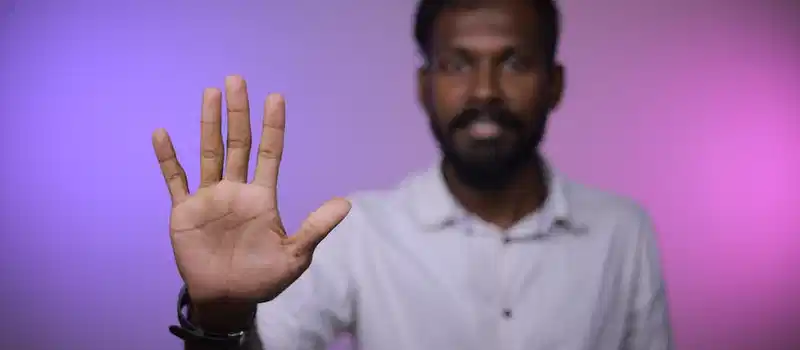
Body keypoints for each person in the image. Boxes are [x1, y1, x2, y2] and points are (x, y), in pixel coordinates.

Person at [151, 0, 673, 349]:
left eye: (514, 63)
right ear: (424, 86)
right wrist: (220, 319)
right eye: (457, 64)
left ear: (555, 83)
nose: (486, 91)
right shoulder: (357, 231)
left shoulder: (622, 231)